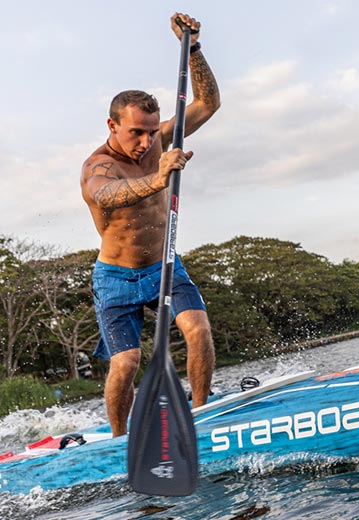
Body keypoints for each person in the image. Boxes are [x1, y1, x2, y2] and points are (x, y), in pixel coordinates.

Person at [81, 13, 221, 436]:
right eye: (135, 133)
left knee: (197, 329)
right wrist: (158, 178)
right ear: (112, 126)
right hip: (116, 277)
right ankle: (118, 441)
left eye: (149, 131)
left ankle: (201, 416)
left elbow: (208, 103)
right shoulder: (97, 166)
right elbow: (106, 195)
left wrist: (193, 48)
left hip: (164, 264)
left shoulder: (161, 139)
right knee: (126, 363)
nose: (145, 142)